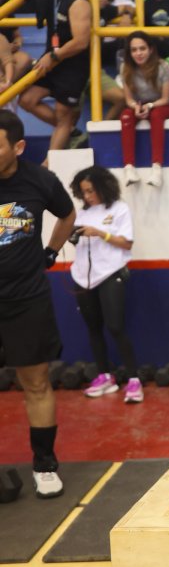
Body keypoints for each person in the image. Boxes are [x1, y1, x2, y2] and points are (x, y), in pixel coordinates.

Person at [0, 109, 76, 497]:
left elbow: (67, 214)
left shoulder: (40, 181)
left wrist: (50, 252)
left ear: (18, 147)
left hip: (26, 300)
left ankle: (44, 464)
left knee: (36, 382)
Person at [69, 165, 142, 404]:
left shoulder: (119, 209)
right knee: (93, 328)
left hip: (110, 274)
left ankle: (134, 379)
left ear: (103, 187)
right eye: (83, 192)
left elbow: (127, 243)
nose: (88, 196)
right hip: (84, 276)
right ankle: (105, 376)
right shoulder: (82, 213)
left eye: (91, 190)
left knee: (115, 326)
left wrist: (101, 233)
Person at [16, 0, 91, 152]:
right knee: (26, 100)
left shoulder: (79, 2)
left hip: (72, 65)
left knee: (63, 115)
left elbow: (81, 42)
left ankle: (49, 163)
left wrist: (54, 56)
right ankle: (70, 130)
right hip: (52, 58)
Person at [119, 32, 169, 187]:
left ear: (151, 49)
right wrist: (136, 107)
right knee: (126, 116)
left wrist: (150, 106)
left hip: (164, 105)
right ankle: (129, 168)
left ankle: (157, 168)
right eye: (134, 50)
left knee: (156, 115)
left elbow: (165, 98)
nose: (138, 53)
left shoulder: (164, 66)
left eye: (142, 49)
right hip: (141, 105)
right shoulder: (125, 67)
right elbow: (129, 100)